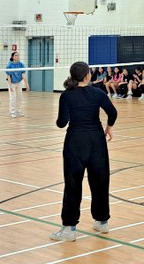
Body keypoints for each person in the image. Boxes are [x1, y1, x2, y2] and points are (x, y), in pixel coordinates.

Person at [50, 61, 117, 242]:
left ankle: (69, 229)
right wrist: (108, 128)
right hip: (97, 141)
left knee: (73, 185)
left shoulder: (66, 96)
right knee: (100, 182)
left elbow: (61, 123)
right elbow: (113, 112)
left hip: (75, 143)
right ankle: (102, 222)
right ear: (87, 76)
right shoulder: (98, 93)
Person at [4, 50, 29, 118]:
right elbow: (8, 76)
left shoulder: (21, 64)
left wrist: (27, 85)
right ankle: (12, 112)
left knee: (19, 97)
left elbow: (23, 75)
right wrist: (10, 86)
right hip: (11, 82)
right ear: (13, 57)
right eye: (16, 55)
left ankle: (19, 110)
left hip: (19, 82)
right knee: (13, 98)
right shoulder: (9, 65)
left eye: (18, 55)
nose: (17, 56)